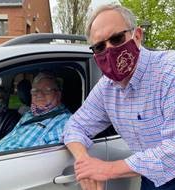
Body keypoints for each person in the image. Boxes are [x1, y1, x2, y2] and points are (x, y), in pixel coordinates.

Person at [63, 4, 175, 190]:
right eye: (99, 47)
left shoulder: (169, 72)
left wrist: (107, 169)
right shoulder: (107, 88)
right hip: (153, 178)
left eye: (116, 39)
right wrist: (85, 164)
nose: (109, 50)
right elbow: (75, 125)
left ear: (137, 36)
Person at [0, 73, 71, 154]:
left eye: (47, 90)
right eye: (35, 91)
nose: (39, 94)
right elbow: (11, 139)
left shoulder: (64, 122)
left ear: (58, 95)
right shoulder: (29, 114)